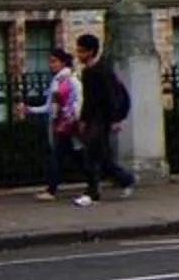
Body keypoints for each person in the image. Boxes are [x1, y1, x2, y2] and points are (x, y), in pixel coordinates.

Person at [25, 47, 100, 205]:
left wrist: (75, 118)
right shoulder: (58, 80)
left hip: (68, 124)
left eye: (54, 61)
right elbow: (49, 106)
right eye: (50, 61)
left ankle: (52, 190)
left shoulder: (70, 80)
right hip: (61, 124)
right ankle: (93, 184)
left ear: (63, 62)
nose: (51, 65)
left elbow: (78, 101)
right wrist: (30, 109)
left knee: (59, 157)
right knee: (74, 156)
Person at [74, 31, 136, 198]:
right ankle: (123, 180)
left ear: (91, 52)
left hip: (102, 118)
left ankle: (96, 190)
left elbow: (111, 95)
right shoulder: (88, 72)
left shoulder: (102, 70)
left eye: (81, 51)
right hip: (94, 118)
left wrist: (115, 119)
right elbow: (89, 99)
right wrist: (83, 119)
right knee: (98, 155)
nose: (78, 54)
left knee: (94, 155)